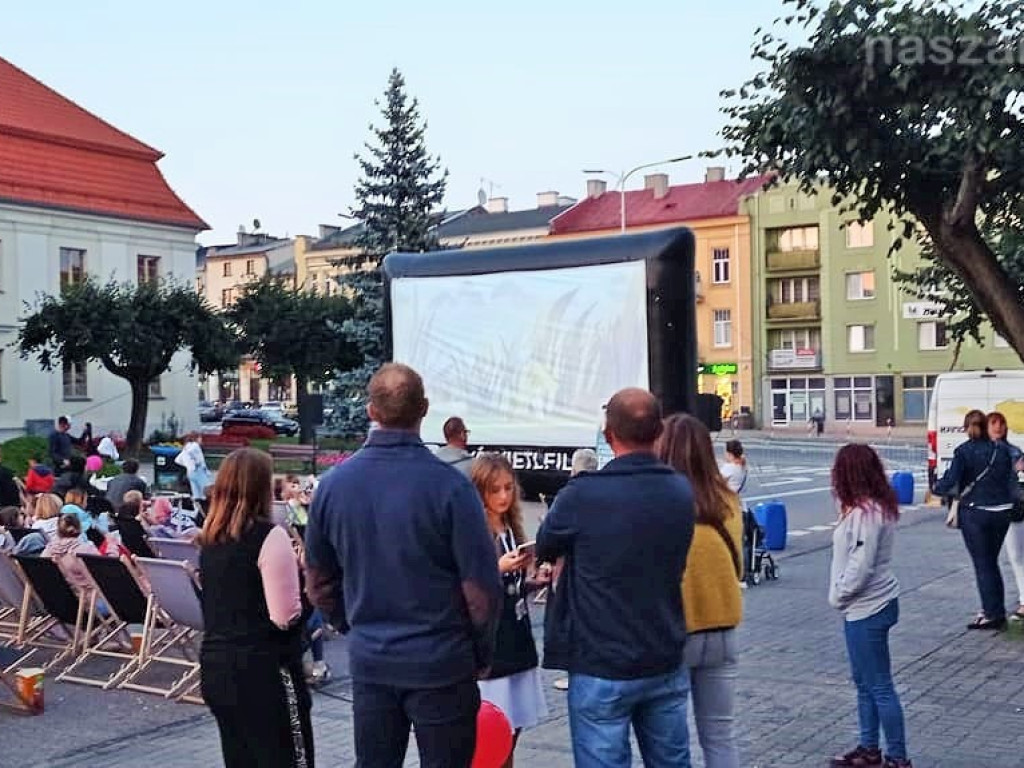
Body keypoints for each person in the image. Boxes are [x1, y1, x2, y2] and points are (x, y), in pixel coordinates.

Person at [305, 363, 502, 768]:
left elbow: (319, 581)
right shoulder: (450, 487)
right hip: (442, 661)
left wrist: (350, 625)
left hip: (374, 659)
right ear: (424, 409)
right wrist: (481, 652)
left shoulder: (334, 487)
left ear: (371, 411)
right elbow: (481, 590)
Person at [536, 387, 696, 767]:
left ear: (609, 436)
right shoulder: (679, 490)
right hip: (663, 655)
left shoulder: (581, 496)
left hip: (599, 661)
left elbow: (545, 545)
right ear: (659, 432)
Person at [199, 448, 313, 768]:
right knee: (287, 758)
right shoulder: (268, 535)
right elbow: (284, 617)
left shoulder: (211, 539)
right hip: (265, 671)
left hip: (218, 664)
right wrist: (307, 589)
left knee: (240, 757)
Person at [657, 414, 743, 768]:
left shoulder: (662, 501)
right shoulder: (727, 500)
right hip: (723, 631)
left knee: (671, 740)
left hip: (677, 631)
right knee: (720, 736)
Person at [829, 444, 912, 768]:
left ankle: (897, 756)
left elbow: (860, 566)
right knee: (866, 681)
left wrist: (839, 595)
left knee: (878, 685)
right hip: (870, 604)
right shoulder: (872, 507)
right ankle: (869, 747)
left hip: (867, 606)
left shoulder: (866, 513)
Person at [470, 453, 548, 767]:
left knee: (512, 729)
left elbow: (510, 587)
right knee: (491, 732)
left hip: (516, 637)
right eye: (494, 490)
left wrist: (532, 580)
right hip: (491, 647)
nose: (503, 496)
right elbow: (466, 584)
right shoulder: (474, 530)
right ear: (480, 491)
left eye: (508, 488)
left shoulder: (510, 526)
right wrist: (496, 568)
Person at [933, 409, 1018, 630]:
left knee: (983, 564)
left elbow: (950, 482)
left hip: (976, 513)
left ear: (966, 427)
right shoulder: (1000, 450)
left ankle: (992, 613)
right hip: (1003, 513)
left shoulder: (963, 451)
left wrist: (937, 488)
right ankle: (995, 609)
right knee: (991, 562)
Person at [548, 448, 597, 693]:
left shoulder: (570, 494)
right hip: (596, 573)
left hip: (571, 567)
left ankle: (574, 670)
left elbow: (549, 537)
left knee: (567, 617)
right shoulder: (604, 493)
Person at [988, 411, 1024, 621]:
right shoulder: (986, 451)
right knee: (992, 560)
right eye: (994, 423)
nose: (998, 427)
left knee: (1017, 556)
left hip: (1011, 509)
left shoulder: (1012, 451)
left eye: (1001, 423)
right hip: (995, 509)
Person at [42, 513, 100, 594]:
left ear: (58, 530)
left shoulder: (47, 552)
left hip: (59, 597)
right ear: (79, 528)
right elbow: (104, 573)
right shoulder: (86, 550)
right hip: (90, 599)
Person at [176, 433, 213, 512]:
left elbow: (178, 459)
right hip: (198, 471)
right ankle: (206, 509)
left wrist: (188, 465)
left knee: (196, 494)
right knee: (206, 491)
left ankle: (198, 509)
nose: (201, 440)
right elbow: (201, 460)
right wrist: (196, 463)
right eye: (200, 438)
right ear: (196, 438)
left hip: (190, 472)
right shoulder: (195, 446)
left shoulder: (186, 447)